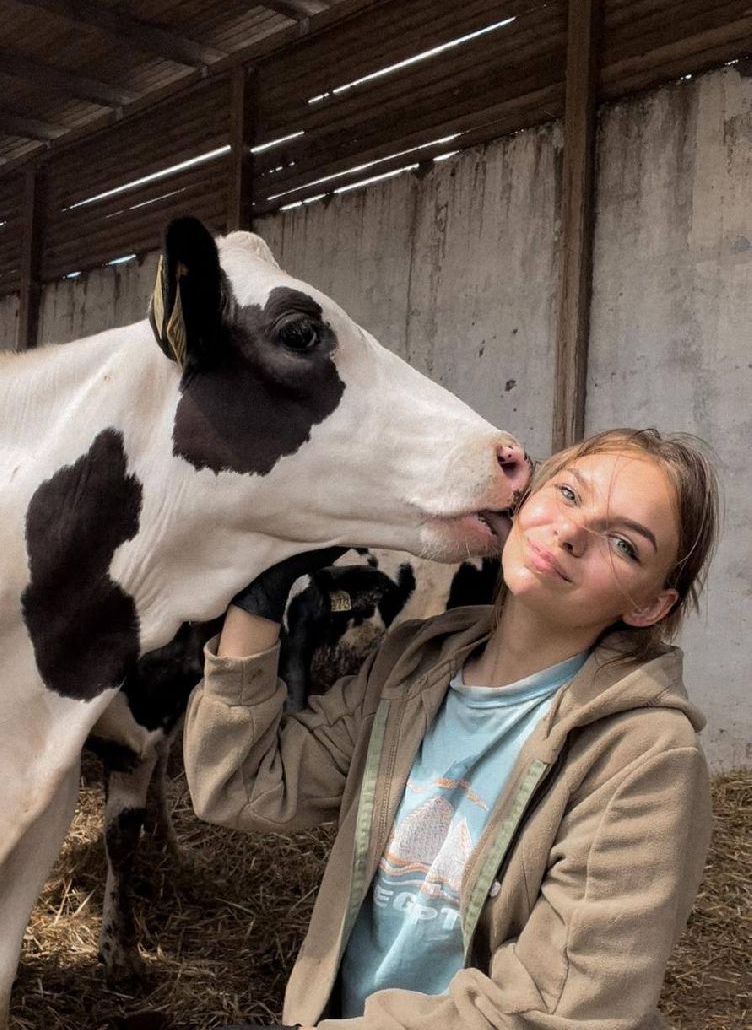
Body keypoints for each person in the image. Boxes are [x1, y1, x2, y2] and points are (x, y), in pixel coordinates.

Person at [183, 428, 720, 1030]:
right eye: (569, 494)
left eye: (623, 543)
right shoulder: (412, 666)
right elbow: (242, 784)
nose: (571, 533)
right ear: (528, 497)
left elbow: (555, 1009)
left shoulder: (645, 758)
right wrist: (260, 599)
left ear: (650, 605)